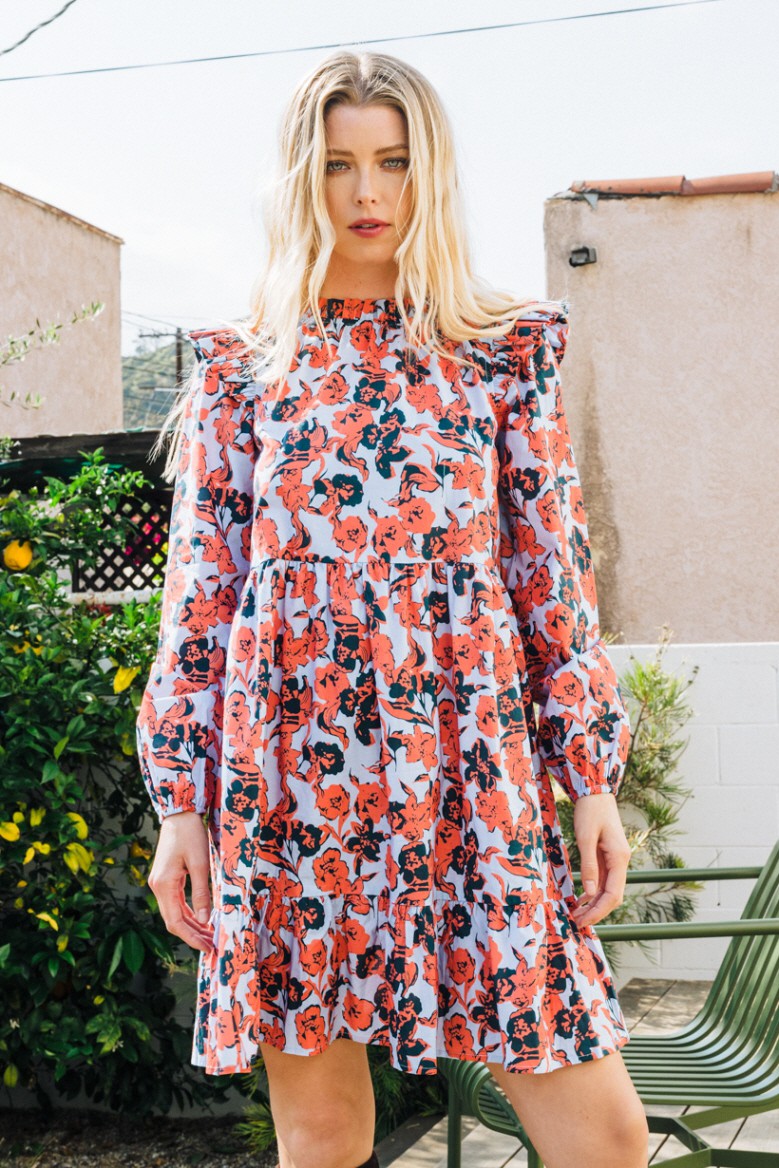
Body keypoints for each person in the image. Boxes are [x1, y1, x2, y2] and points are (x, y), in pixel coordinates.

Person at [136, 49, 649, 1168]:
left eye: (394, 162)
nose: (367, 193)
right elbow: (200, 603)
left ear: (433, 172)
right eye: (337, 165)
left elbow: (552, 578)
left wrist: (590, 778)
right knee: (323, 1134)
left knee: (605, 1137)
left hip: (474, 775)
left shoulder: (502, 353)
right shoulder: (241, 369)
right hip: (291, 782)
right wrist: (182, 807)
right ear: (299, 180)